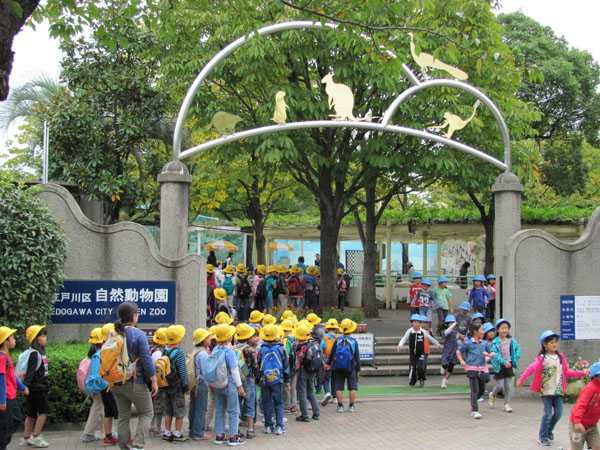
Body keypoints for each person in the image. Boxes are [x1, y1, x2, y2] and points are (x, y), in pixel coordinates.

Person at [518, 330, 587, 446]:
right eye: (551, 342)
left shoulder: (560, 357)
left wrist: (582, 373)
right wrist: (521, 379)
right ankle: (543, 437)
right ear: (544, 345)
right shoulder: (542, 358)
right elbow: (531, 368)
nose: (554, 344)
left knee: (559, 413)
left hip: (558, 391)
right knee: (547, 414)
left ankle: (548, 431)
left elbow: (567, 372)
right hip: (546, 391)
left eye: (555, 342)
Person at [110, 302, 158, 450]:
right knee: (147, 412)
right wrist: (154, 380)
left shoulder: (113, 333)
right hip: (134, 381)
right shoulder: (139, 335)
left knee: (123, 416)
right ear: (134, 316)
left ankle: (124, 446)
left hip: (115, 382)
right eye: (137, 314)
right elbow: (146, 360)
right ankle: (137, 445)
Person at [81, 328, 118, 445]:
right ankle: (89, 434)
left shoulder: (96, 353)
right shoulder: (99, 354)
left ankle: (104, 433)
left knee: (100, 408)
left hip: (98, 387)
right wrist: (107, 384)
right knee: (98, 408)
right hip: (100, 387)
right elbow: (97, 375)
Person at [456, 322, 494, 419]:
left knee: (481, 390)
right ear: (475, 331)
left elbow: (491, 353)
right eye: (481, 330)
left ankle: (473, 401)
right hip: (472, 368)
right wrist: (462, 361)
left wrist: (489, 355)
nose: (483, 332)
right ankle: (474, 410)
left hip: (482, 369)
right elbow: (458, 352)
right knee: (475, 390)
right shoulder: (468, 343)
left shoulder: (484, 343)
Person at [21, 325, 50, 448]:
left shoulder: (37, 352)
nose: (45, 337)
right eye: (43, 335)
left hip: (33, 388)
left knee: (31, 414)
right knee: (43, 412)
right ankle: (36, 436)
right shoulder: (35, 354)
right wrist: (25, 387)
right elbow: (30, 373)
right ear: (36, 339)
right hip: (37, 389)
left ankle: (27, 437)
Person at [258, 324, 289, 435]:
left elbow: (258, 364)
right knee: (278, 403)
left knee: (267, 402)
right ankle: (279, 426)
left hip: (265, 380)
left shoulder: (261, 349)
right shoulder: (281, 349)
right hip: (278, 380)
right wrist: (286, 379)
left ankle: (268, 426)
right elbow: (286, 365)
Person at [0, 326, 27, 450]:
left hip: (11, 396)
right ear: (6, 341)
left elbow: (11, 377)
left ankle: (3, 442)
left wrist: (22, 387)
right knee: (8, 424)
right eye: (12, 337)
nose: (14, 339)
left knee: (15, 420)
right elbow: (1, 380)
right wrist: (2, 401)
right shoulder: (1, 358)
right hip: (6, 398)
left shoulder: (6, 356)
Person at [397, 314, 441, 387]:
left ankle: (421, 379)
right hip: (412, 354)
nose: (416, 324)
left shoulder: (423, 332)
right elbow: (404, 339)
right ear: (412, 323)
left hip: (421, 353)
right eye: (414, 322)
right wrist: (400, 345)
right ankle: (412, 382)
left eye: (418, 322)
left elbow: (430, 338)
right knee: (413, 367)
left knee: (421, 367)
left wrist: (437, 344)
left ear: (420, 323)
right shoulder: (409, 331)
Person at [161, 325, 188, 442]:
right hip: (176, 385)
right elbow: (182, 371)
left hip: (166, 384)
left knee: (168, 409)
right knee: (179, 409)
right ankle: (177, 433)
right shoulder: (179, 353)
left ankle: (167, 432)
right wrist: (185, 384)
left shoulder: (164, 351)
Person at [327, 319, 360, 413]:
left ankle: (340, 406)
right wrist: (358, 369)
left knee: (338, 387)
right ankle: (351, 406)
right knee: (352, 387)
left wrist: (329, 364)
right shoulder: (353, 341)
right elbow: (357, 357)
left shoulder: (337, 340)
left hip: (338, 367)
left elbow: (332, 354)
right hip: (351, 367)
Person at [489, 319, 521, 413]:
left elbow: (518, 349)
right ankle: (492, 394)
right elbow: (495, 355)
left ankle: (506, 404)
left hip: (509, 364)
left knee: (507, 386)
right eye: (502, 328)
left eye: (506, 328)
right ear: (498, 330)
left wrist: (516, 356)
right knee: (500, 385)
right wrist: (504, 362)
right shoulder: (495, 342)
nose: (504, 330)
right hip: (499, 366)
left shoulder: (511, 340)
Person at [234, 323, 259, 440]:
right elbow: (255, 367)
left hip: (236, 380)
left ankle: (236, 430)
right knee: (250, 404)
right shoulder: (250, 350)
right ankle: (250, 430)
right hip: (248, 379)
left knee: (237, 404)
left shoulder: (234, 348)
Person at [292, 324, 320, 422]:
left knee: (302, 392)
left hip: (303, 370)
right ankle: (316, 413)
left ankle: (304, 415)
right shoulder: (314, 343)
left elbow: (297, 359)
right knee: (311, 391)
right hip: (312, 369)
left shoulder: (299, 346)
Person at [569, 361, 600, 450]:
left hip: (592, 426)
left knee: (597, 447)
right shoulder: (590, 388)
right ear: (596, 376)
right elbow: (580, 405)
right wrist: (577, 422)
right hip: (578, 425)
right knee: (576, 448)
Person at [189, 328, 212, 441]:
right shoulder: (203, 354)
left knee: (193, 407)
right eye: (208, 337)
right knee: (201, 408)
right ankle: (198, 433)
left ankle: (192, 431)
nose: (210, 339)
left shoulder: (195, 350)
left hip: (194, 382)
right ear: (203, 340)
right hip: (202, 383)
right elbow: (206, 371)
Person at [149, 327, 168, 437]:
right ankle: (157, 427)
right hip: (160, 383)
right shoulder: (160, 353)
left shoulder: (152, 350)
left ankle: (152, 426)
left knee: (153, 404)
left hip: (152, 381)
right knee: (159, 406)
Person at [320, 319, 339, 405]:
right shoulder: (338, 337)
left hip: (327, 361)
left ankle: (327, 393)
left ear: (327, 328)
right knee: (334, 379)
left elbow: (321, 349)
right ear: (336, 329)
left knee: (326, 379)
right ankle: (335, 397)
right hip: (336, 361)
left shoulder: (324, 338)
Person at [440, 315, 459, 389]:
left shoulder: (456, 331)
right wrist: (453, 324)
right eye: (449, 323)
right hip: (447, 350)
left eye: (452, 322)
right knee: (445, 365)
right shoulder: (445, 331)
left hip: (454, 351)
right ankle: (443, 367)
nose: (451, 324)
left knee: (451, 367)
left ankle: (444, 380)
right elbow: (446, 332)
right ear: (447, 324)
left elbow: (458, 338)